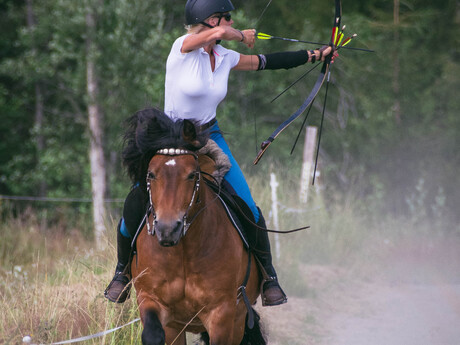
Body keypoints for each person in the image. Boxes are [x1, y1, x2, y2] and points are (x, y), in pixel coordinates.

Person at [105, 0, 336, 307]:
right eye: (224, 17)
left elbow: (266, 61)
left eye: (229, 18)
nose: (228, 21)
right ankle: (122, 273)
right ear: (208, 20)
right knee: (136, 200)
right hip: (172, 136)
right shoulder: (182, 47)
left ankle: (269, 278)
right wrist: (239, 34)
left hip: (209, 135)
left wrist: (314, 56)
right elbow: (203, 39)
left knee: (249, 206)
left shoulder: (224, 57)